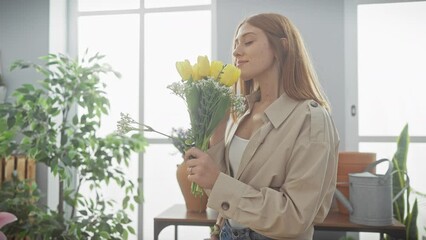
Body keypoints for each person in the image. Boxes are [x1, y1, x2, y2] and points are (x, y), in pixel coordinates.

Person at [184, 12, 339, 240]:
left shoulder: (311, 119)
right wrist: (216, 134)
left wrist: (217, 181)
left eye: (248, 42)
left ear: (281, 47)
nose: (236, 52)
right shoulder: (239, 113)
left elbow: (295, 217)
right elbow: (226, 192)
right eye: (236, 44)